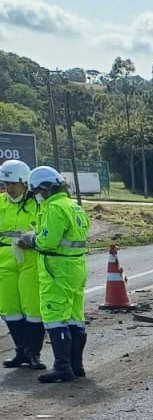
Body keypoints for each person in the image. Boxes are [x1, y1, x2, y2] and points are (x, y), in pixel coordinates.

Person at [18, 167, 89, 383]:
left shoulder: (53, 208)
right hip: (76, 265)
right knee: (75, 317)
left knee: (54, 316)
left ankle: (63, 367)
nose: (36, 195)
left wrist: (31, 240)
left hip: (56, 268)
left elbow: (48, 241)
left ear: (45, 188)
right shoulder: (73, 206)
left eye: (36, 191)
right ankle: (77, 365)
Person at [0, 160, 44, 370]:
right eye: (5, 184)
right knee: (10, 309)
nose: (8, 188)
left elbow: (47, 230)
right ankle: (21, 351)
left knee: (33, 309)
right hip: (5, 263)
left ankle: (33, 353)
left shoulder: (38, 204)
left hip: (30, 261)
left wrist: (32, 241)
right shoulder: (1, 203)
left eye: (13, 184)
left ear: (25, 183)